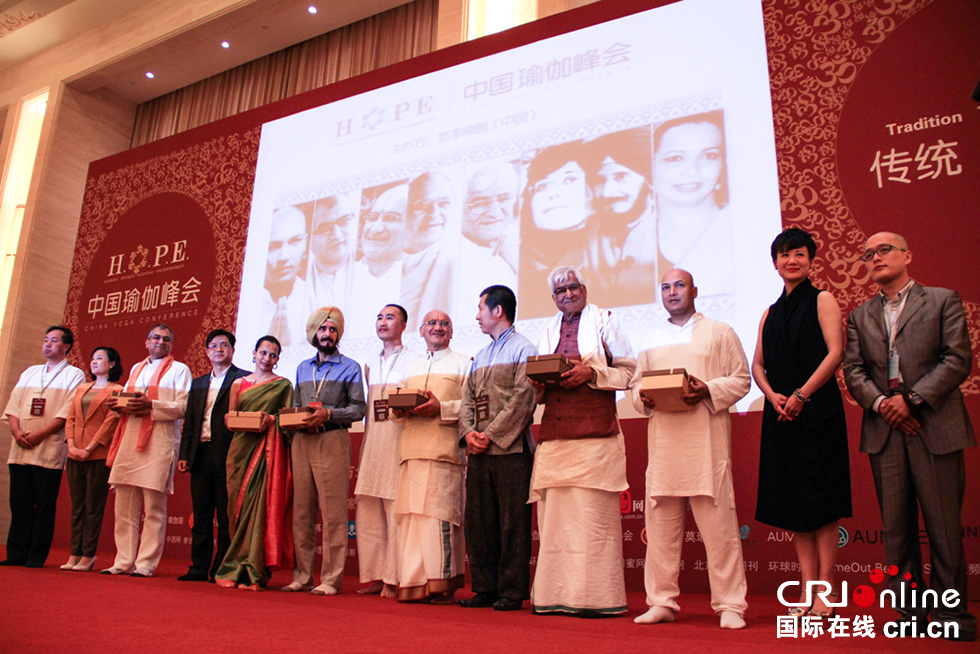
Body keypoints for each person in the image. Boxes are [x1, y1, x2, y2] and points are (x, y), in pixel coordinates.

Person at [843, 232, 976, 641]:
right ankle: (912, 615)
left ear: (907, 255)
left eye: (885, 250)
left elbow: (957, 358)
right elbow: (854, 371)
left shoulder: (940, 299)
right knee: (897, 532)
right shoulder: (860, 315)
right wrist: (885, 404)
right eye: (868, 254)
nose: (876, 258)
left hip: (934, 426)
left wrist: (912, 400)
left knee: (943, 529)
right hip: (886, 430)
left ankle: (953, 618)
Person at [630, 269, 750, 629]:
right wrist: (645, 398)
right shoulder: (650, 336)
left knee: (721, 532)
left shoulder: (719, 331)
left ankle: (730, 605)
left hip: (706, 446)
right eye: (665, 287)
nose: (672, 292)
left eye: (679, 285)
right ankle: (661, 601)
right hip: (664, 447)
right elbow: (636, 388)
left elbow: (741, 379)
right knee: (661, 532)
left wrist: (707, 390)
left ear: (694, 290)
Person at [753, 228, 851, 618]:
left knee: (821, 504)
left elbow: (836, 352)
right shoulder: (769, 312)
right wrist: (771, 393)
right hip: (780, 415)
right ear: (775, 263)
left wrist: (801, 395)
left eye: (798, 254)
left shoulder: (822, 299)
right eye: (783, 255)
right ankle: (807, 593)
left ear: (811, 260)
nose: (791, 260)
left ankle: (826, 595)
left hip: (817, 412)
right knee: (795, 506)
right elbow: (758, 366)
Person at [528, 267, 634, 617]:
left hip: (595, 435)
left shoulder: (605, 320)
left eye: (573, 287)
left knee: (592, 519)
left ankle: (597, 598)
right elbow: (541, 387)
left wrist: (593, 372)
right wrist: (540, 384)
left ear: (584, 289)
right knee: (555, 520)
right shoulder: (546, 330)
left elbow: (630, 373)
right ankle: (554, 595)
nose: (568, 294)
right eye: (560, 291)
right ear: (553, 298)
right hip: (555, 436)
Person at [458, 285, 537, 611]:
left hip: (512, 451)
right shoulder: (482, 354)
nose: (477, 316)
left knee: (512, 523)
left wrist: (490, 434)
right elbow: (466, 401)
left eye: (480, 308)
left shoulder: (524, 349)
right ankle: (485, 587)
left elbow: (524, 399)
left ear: (498, 311)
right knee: (479, 522)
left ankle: (511, 590)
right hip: (479, 452)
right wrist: (468, 433)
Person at [283, 306, 366, 595]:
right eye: (322, 329)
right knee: (302, 512)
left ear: (338, 334)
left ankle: (331, 579)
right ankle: (302, 575)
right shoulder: (302, 367)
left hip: (332, 439)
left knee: (332, 513)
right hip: (303, 441)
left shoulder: (350, 366)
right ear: (313, 333)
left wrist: (328, 415)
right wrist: (293, 419)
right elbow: (296, 404)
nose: (327, 334)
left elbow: (358, 410)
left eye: (332, 329)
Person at [392, 310, 469, 603]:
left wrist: (441, 408)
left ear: (451, 332)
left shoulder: (463, 363)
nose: (438, 328)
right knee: (411, 520)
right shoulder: (410, 366)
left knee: (439, 519)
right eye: (432, 323)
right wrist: (399, 410)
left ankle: (441, 585)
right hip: (410, 452)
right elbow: (396, 410)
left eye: (444, 324)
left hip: (443, 453)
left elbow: (472, 407)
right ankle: (412, 584)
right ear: (421, 331)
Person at [102, 324, 192, 577]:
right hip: (129, 438)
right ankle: (122, 561)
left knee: (154, 508)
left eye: (166, 339)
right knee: (124, 506)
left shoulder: (179, 369)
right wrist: (118, 405)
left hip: (160, 442)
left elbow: (184, 406)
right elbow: (131, 402)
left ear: (171, 345)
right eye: (156, 337)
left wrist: (150, 404)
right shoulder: (136, 369)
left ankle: (145, 564)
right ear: (147, 342)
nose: (161, 341)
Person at [1, 326, 85, 567]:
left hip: (49, 448)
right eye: (46, 340)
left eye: (54, 341)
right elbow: (14, 405)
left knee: (44, 505)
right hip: (20, 446)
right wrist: (16, 431)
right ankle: (16, 553)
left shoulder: (74, 375)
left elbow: (67, 412)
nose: (47, 344)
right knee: (19, 503)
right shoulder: (30, 372)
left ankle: (36, 556)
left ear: (66, 346)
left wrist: (39, 434)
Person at [215, 335, 294, 591]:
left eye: (272, 355)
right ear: (254, 353)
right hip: (239, 451)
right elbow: (229, 419)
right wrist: (246, 421)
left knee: (259, 509)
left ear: (278, 359)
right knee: (236, 511)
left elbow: (287, 420)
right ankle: (234, 567)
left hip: (266, 453)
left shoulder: (283, 386)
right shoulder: (239, 383)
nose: (267, 358)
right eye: (263, 353)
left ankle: (253, 571)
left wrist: (270, 421)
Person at [176, 329, 248, 582]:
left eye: (224, 345)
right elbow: (190, 423)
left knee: (227, 517)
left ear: (232, 350)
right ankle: (198, 567)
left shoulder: (244, 380)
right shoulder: (197, 383)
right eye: (214, 346)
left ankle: (222, 567)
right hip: (200, 456)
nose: (219, 349)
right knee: (202, 515)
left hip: (229, 457)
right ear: (207, 352)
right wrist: (184, 454)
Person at [355, 304, 416, 597]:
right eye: (379, 317)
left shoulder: (414, 360)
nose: (382, 322)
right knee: (369, 514)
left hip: (397, 442)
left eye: (389, 317)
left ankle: (394, 577)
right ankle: (375, 575)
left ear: (403, 325)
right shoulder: (369, 363)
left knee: (395, 513)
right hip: (373, 444)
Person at [653, 111, 733, 298]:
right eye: (675, 158)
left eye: (709, 156)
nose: (692, 171)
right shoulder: (626, 241)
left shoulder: (738, 229)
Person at [62, 346, 124, 572]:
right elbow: (70, 417)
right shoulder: (81, 388)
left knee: (93, 506)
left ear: (111, 364)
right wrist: (71, 444)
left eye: (100, 358)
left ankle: (89, 555)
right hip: (74, 452)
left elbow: (112, 421)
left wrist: (89, 448)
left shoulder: (117, 390)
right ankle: (74, 553)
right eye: (93, 358)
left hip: (97, 454)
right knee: (77, 506)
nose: (94, 361)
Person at [518, 141, 593, 318]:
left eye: (569, 180)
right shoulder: (517, 268)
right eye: (542, 186)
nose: (553, 193)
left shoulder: (610, 260)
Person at [586, 127, 658, 304]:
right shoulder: (592, 230)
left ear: (647, 181)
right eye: (601, 180)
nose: (608, 192)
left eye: (621, 176)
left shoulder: (669, 228)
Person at [456, 163, 519, 312]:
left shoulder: (515, 244)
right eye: (480, 202)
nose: (494, 212)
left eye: (504, 198)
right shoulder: (458, 258)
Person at [349, 185, 409, 337]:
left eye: (390, 218)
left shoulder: (418, 278)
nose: (376, 228)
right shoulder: (343, 278)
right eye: (372, 218)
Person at [401, 172, 458, 324]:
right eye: (422, 205)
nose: (433, 213)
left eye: (443, 203)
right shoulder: (384, 261)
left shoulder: (460, 258)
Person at [304, 194, 356, 317]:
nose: (336, 235)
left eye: (344, 221)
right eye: (325, 228)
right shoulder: (299, 287)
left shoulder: (374, 272)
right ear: (308, 237)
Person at [264, 206, 309, 347]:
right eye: (274, 246)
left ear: (305, 243)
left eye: (294, 241)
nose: (284, 256)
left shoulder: (314, 300)